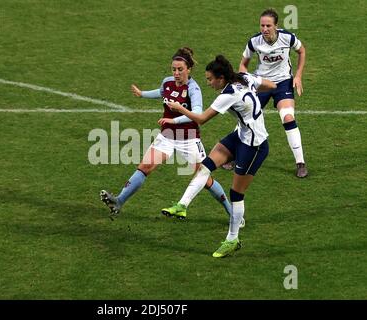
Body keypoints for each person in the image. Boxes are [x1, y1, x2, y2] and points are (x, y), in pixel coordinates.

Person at [100, 47, 232, 220]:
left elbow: (199, 113)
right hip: (167, 137)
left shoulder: (193, 89)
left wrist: (174, 120)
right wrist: (142, 94)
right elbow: (161, 92)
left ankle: (231, 212)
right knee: (145, 166)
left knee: (204, 178)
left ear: (189, 69)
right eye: (174, 69)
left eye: (180, 69)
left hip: (189, 139)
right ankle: (119, 201)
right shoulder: (168, 82)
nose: (176, 73)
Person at [165, 55, 276, 258]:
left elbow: (202, 119)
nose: (208, 83)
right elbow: (271, 84)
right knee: (205, 166)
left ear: (222, 78)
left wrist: (180, 108)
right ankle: (182, 205)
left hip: (254, 146)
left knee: (236, 194)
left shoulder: (227, 95)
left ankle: (232, 239)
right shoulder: (244, 77)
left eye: (210, 79)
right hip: (240, 135)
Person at [239, 8, 308, 178]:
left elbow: (302, 51)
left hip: (283, 83)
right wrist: (247, 82)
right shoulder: (254, 42)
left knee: (288, 117)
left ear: (276, 25)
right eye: (262, 25)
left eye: (268, 25)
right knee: (245, 119)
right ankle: (234, 155)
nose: (265, 29)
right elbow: (243, 65)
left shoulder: (288, 38)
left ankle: (300, 163)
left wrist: (298, 75)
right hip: (261, 83)